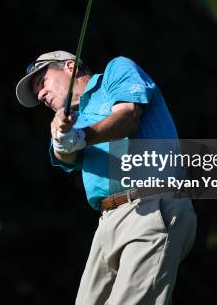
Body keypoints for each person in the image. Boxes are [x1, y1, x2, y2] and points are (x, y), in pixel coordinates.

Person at [16, 50, 197, 305]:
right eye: (37, 94)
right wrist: (62, 138)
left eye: (42, 82)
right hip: (108, 221)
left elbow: (128, 117)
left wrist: (80, 137)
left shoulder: (116, 72)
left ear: (70, 66)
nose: (41, 95)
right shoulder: (71, 120)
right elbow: (64, 156)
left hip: (152, 204)